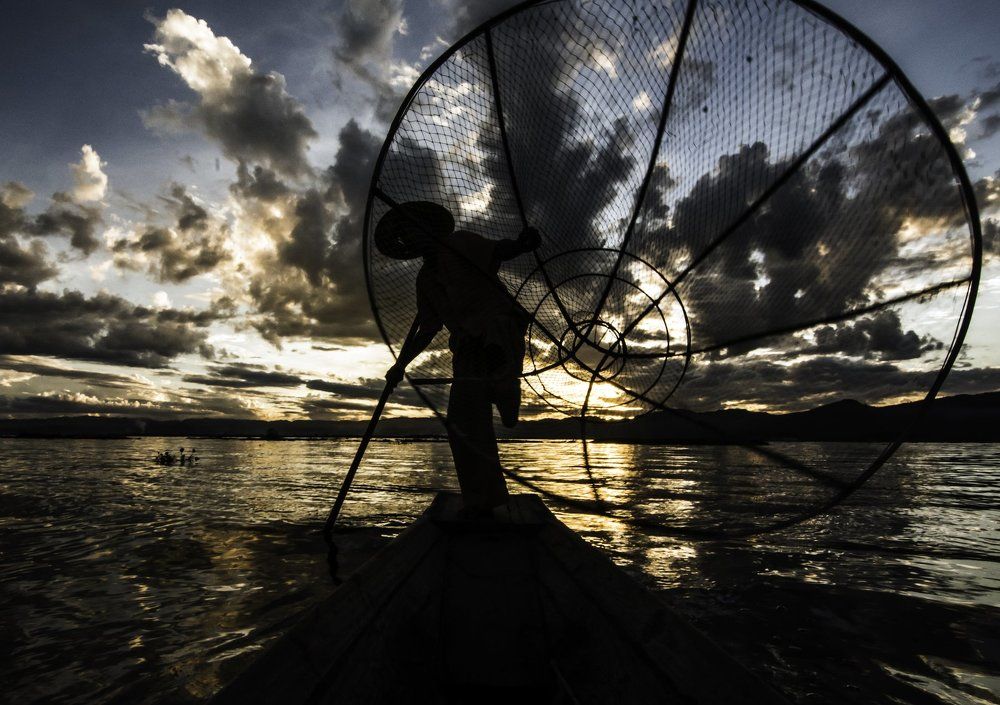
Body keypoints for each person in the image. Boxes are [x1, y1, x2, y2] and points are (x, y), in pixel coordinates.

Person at [376, 201, 540, 517]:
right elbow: (428, 327)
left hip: (498, 327)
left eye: (412, 228)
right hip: (466, 349)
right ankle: (482, 501)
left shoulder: (460, 244)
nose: (410, 236)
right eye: (404, 235)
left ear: (427, 227)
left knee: (495, 355)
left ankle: (504, 385)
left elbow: (499, 251)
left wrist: (521, 245)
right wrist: (401, 364)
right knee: (462, 425)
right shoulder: (425, 280)